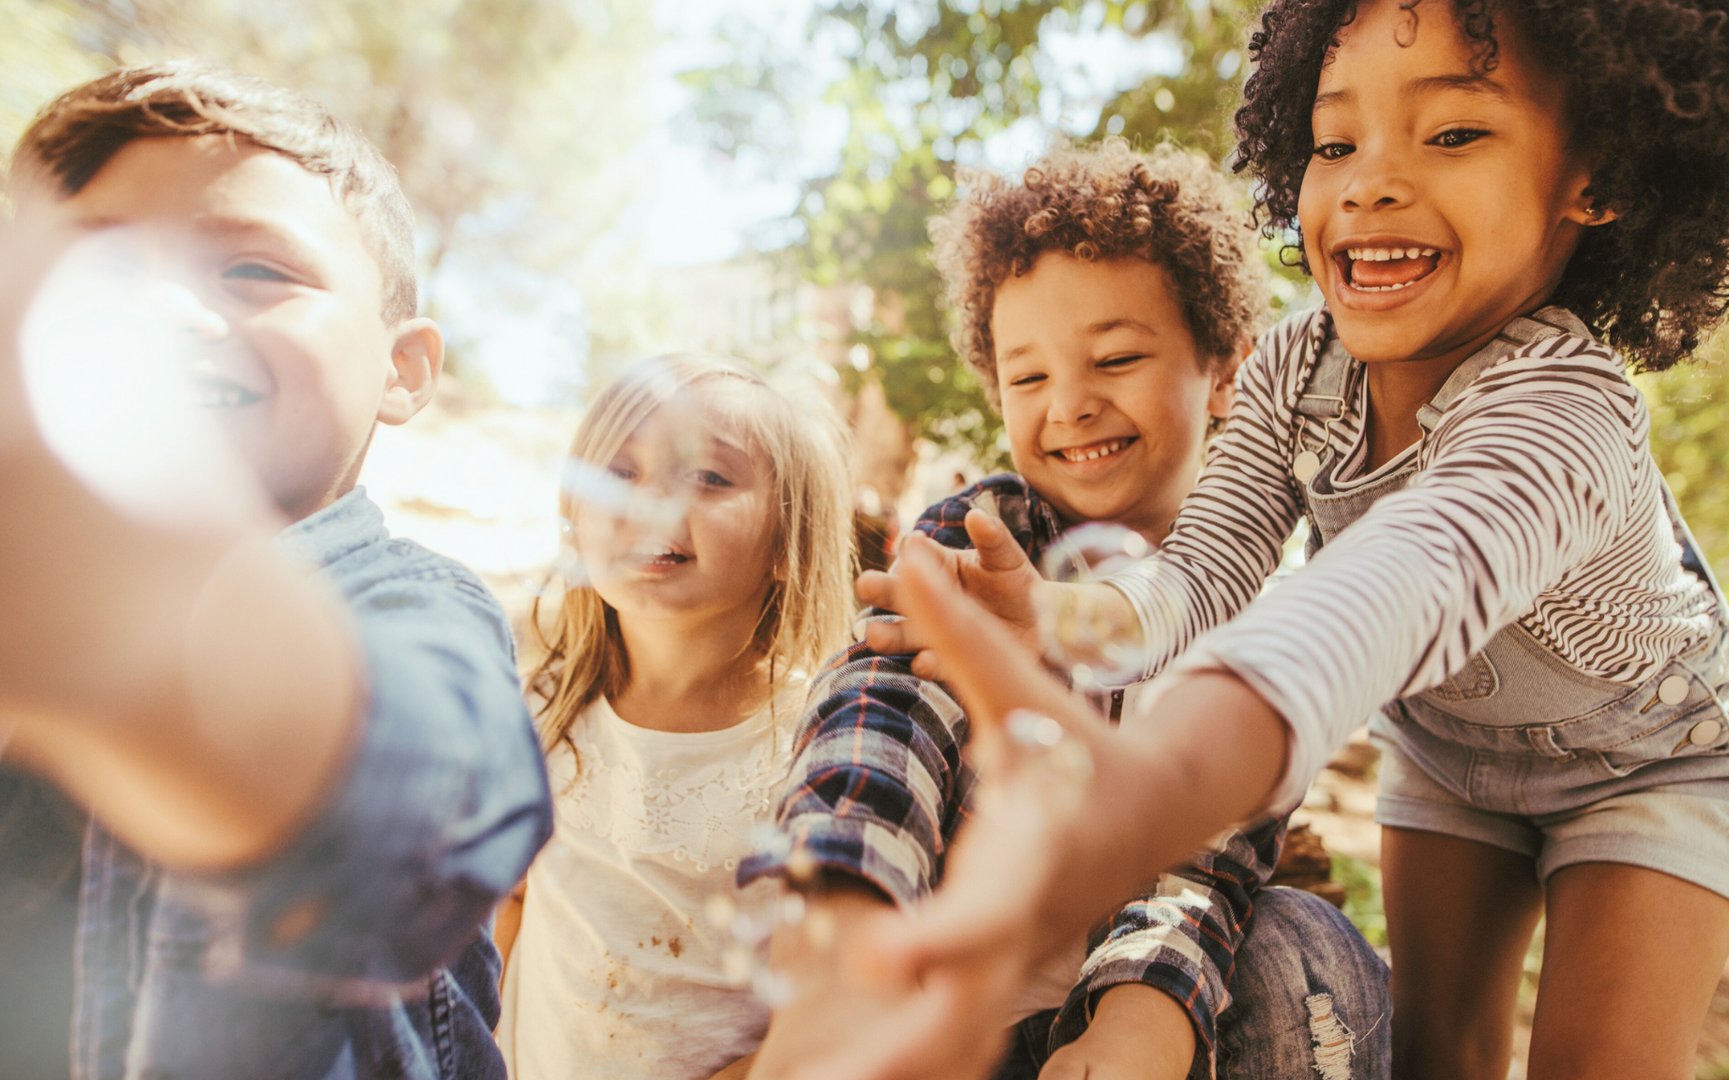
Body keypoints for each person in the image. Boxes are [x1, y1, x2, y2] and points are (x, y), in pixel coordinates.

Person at [835, 2, 1729, 1079]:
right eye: (1335, 142)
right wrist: (1063, 616)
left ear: (1596, 180)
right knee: (1434, 1056)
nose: (1369, 181)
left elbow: (1399, 584)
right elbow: (1209, 570)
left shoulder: (1567, 411)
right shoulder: (1293, 369)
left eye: (1454, 133)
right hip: (1452, 753)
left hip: (1651, 762)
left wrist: (1165, 780)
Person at [743, 142, 1390, 1080]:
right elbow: (879, 715)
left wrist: (1146, 1009)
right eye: (1029, 378)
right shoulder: (983, 533)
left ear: (1224, 376)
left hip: (1142, 1017)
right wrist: (845, 919)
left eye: (1116, 358)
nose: (1072, 406)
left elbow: (1208, 851)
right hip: (944, 1013)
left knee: (1311, 945)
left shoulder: (1249, 602)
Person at [0, 64, 552, 1079]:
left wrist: (130, 643)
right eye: (98, 274)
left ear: (404, 370)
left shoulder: (415, 601)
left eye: (254, 273)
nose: (164, 310)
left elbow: (437, 811)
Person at [493, 355, 855, 1080]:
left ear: (788, 540)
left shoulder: (823, 745)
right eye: (620, 473)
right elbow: (509, 907)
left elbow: (831, 1008)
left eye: (709, 477)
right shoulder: (538, 711)